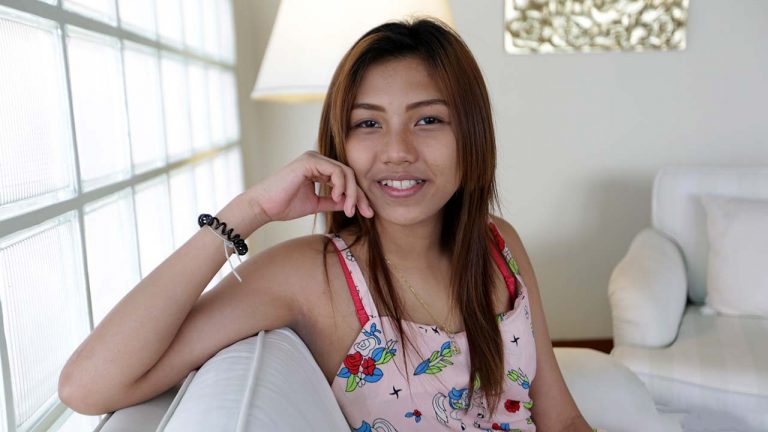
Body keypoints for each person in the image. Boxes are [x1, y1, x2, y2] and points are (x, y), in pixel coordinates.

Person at [59, 18, 593, 431]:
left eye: (428, 119)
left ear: (471, 135)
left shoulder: (498, 243)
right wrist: (251, 209)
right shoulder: (312, 276)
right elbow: (87, 386)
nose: (398, 151)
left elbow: (562, 419)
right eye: (368, 123)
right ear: (341, 143)